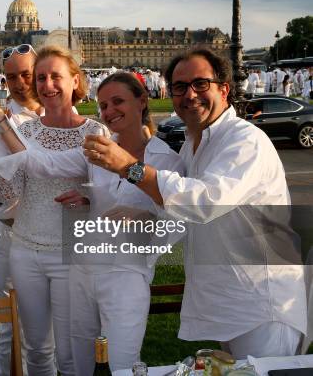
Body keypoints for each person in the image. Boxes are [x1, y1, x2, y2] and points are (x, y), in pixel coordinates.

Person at [83, 48, 308, 359]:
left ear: (223, 88)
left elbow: (205, 201)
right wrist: (148, 214)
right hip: (227, 299)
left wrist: (130, 168)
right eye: (179, 87)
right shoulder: (194, 143)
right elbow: (184, 211)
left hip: (262, 302)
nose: (190, 95)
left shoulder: (245, 139)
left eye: (200, 84)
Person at [0, 72, 184, 372]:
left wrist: (149, 216)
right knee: (74, 362)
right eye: (103, 105)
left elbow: (182, 223)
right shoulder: (96, 149)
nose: (109, 111)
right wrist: (0, 122)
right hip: (82, 271)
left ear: (142, 101)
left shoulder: (167, 160)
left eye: (118, 102)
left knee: (122, 364)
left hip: (125, 277)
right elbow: (42, 163)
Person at [0, 45, 99, 376]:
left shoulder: (94, 132)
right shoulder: (26, 130)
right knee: (35, 348)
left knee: (72, 350)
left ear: (75, 81)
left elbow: (108, 190)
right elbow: (11, 192)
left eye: (55, 77)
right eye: (42, 78)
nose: (47, 85)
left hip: (70, 253)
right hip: (25, 249)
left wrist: (91, 197)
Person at [0, 42, 43, 376]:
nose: (19, 83)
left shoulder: (58, 114)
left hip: (54, 233)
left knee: (52, 323)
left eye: (25, 74)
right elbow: (2, 191)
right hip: (16, 232)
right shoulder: (1, 122)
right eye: (11, 76)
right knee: (12, 323)